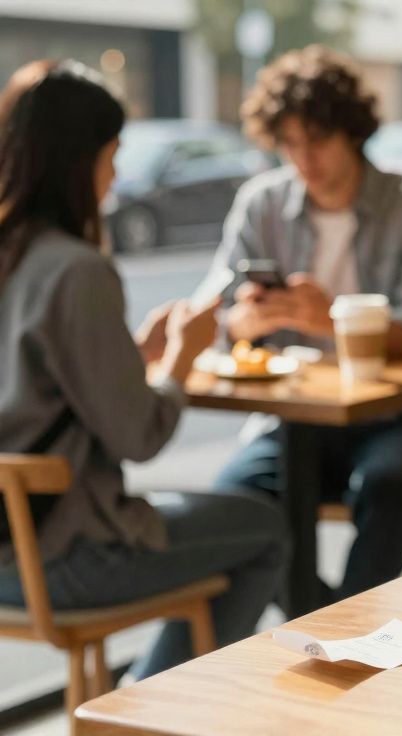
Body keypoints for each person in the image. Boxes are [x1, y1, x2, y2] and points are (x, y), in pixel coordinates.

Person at [0, 60, 287, 680]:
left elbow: (35, 393)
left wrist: (133, 355)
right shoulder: (76, 270)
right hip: (62, 555)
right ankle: (145, 703)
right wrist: (182, 357)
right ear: (79, 161)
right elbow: (139, 436)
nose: (115, 175)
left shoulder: (15, 256)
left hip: (10, 549)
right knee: (267, 528)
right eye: (112, 155)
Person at [207, 45, 402, 603]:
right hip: (292, 416)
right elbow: (219, 316)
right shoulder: (261, 204)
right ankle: (330, 623)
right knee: (234, 507)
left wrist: (332, 319)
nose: (303, 158)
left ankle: (344, 633)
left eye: (317, 140)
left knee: (391, 485)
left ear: (352, 132)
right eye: (288, 143)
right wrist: (246, 319)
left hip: (398, 417)